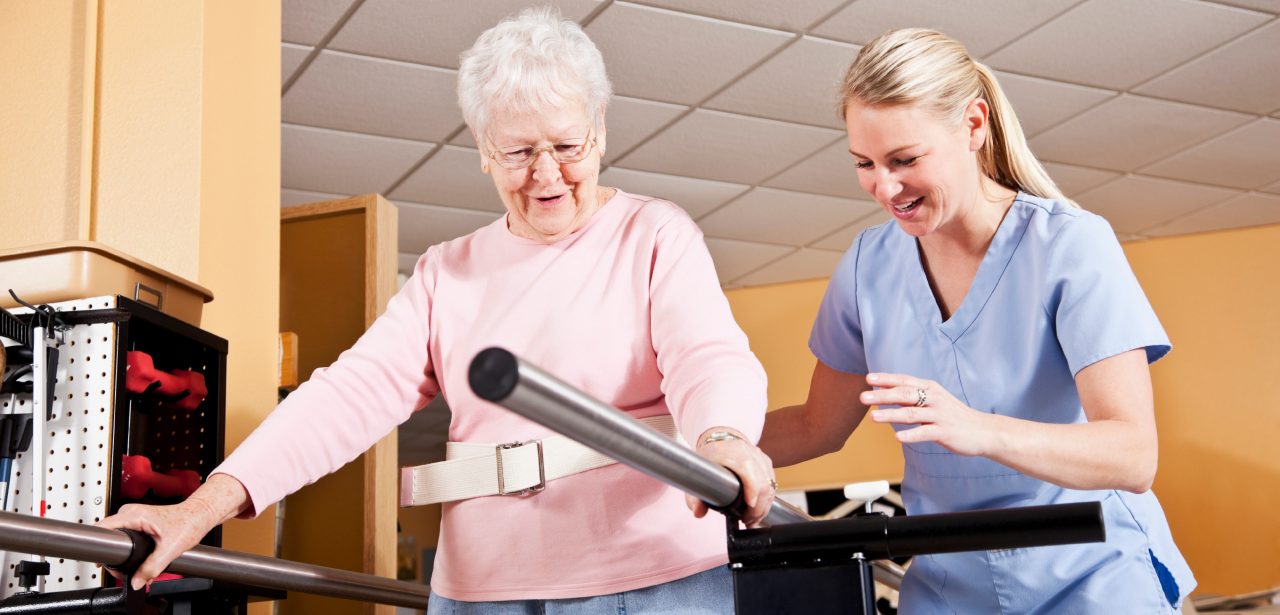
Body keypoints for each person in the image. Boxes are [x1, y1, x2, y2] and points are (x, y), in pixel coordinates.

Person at [101, 7, 777, 612]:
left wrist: (721, 435)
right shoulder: (447, 272)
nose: (546, 174)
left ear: (599, 129)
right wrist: (200, 507)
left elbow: (707, 355)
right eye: (517, 151)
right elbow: (346, 396)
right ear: (483, 150)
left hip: (651, 579)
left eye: (567, 146)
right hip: (482, 588)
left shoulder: (654, 234)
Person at [759, 28, 1195, 613]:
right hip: (950, 585)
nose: (884, 187)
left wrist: (978, 428)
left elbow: (1133, 454)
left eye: (905, 159)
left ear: (973, 125)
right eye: (864, 163)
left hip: (1091, 573)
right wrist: (696, 442)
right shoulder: (868, 266)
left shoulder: (1068, 245)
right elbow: (818, 426)